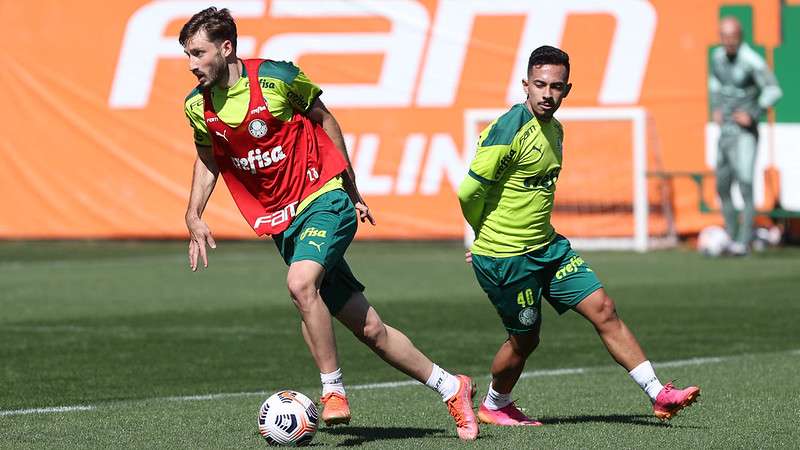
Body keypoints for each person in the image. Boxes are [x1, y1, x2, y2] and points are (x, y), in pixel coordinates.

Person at [179, 7, 477, 440]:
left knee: (301, 284)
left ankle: (332, 390)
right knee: (368, 327)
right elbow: (209, 159)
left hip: (325, 198)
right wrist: (193, 214)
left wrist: (350, 186)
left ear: (226, 48)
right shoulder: (196, 106)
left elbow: (325, 119)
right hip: (283, 221)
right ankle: (452, 386)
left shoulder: (277, 78)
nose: (192, 64)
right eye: (187, 55)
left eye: (198, 53)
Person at [457, 45, 700, 426]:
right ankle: (494, 404)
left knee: (604, 307)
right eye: (539, 85)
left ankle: (659, 393)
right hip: (506, 257)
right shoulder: (508, 129)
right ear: (526, 84)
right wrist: (482, 236)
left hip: (548, 247)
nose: (547, 94)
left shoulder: (555, 129)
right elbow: (468, 192)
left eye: (556, 86)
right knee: (525, 341)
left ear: (567, 89)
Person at [709, 16, 782, 256]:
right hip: (726, 130)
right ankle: (731, 234)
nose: (728, 42)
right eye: (724, 37)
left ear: (740, 37)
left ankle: (743, 239)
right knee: (721, 184)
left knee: (746, 181)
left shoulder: (752, 61)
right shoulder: (717, 58)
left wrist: (753, 112)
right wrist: (716, 107)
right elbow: (715, 84)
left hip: (745, 132)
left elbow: (773, 89)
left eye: (732, 37)